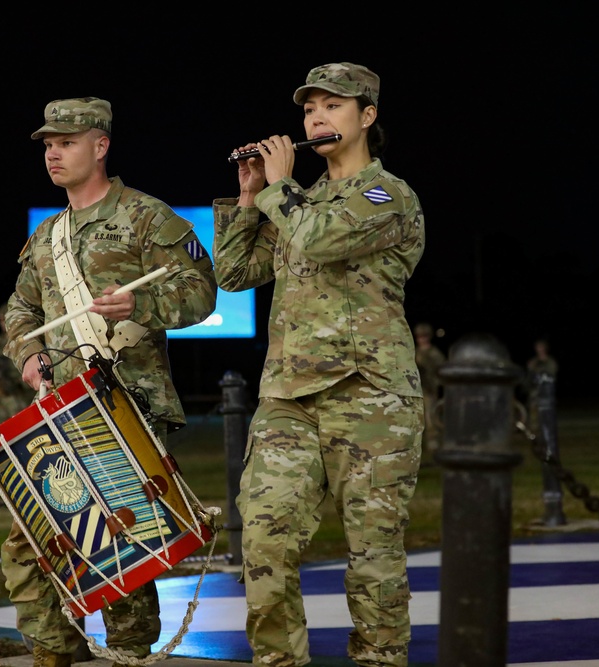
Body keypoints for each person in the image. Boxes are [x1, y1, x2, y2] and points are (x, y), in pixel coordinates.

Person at [213, 62, 426, 667]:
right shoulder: (293, 203)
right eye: (310, 109)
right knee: (263, 539)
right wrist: (252, 195)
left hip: (372, 400)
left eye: (334, 106)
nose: (317, 118)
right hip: (289, 399)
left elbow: (323, 240)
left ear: (368, 116)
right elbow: (234, 274)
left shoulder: (388, 195)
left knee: (374, 558)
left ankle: (381, 660)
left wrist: (280, 188)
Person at [1, 96, 218, 667]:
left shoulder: (148, 216)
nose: (53, 154)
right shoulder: (46, 237)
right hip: (61, 409)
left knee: (125, 544)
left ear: (100, 146)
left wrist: (138, 303)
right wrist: (29, 354)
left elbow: (201, 292)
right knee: (30, 543)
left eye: (66, 143)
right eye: (48, 145)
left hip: (128, 405)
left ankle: (129, 654)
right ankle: (55, 652)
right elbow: (19, 311)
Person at [0, 303, 34, 430]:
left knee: (21, 430)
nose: (3, 324)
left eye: (6, 319)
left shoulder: (24, 339)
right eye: (1, 320)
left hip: (18, 394)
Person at [413, 323, 446, 452]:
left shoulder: (434, 353)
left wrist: (437, 382)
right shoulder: (415, 352)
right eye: (419, 336)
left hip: (429, 389)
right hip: (415, 389)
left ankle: (433, 441)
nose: (421, 339)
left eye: (424, 336)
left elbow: (442, 369)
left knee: (430, 416)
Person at [525, 338, 559, 434]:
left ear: (545, 348)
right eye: (537, 347)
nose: (538, 349)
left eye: (540, 347)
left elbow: (551, 375)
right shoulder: (533, 361)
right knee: (533, 413)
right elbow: (530, 376)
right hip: (535, 392)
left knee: (546, 415)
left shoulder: (550, 362)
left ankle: (546, 431)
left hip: (546, 393)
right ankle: (534, 433)